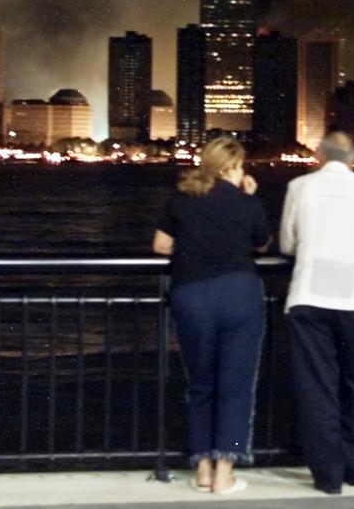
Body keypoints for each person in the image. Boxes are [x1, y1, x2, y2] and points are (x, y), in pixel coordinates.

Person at [152, 136, 271, 496]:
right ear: (232, 168)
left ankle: (202, 469)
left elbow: (160, 245)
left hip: (191, 296)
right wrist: (248, 197)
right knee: (235, 387)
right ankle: (225, 474)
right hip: (238, 294)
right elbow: (262, 243)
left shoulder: (181, 198)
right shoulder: (245, 202)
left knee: (201, 384)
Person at [280, 131, 354, 495]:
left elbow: (287, 243)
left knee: (317, 389)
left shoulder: (300, 186)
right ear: (353, 157)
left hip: (310, 296)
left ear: (319, 156)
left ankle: (327, 476)